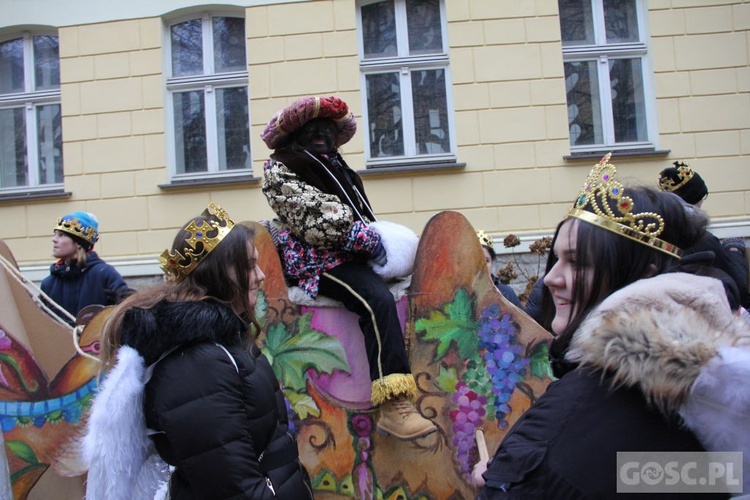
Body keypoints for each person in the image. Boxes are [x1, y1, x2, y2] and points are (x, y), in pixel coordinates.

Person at [476, 154, 749, 498]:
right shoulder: (702, 384)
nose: (551, 279)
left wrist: (505, 480)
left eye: (576, 262)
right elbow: (669, 477)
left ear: (644, 273)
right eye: (555, 259)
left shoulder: (585, 402)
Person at [84, 202, 313, 499]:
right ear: (216, 273)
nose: (259, 275)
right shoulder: (197, 363)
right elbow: (231, 487)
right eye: (247, 266)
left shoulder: (223, 340)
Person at [260, 95, 436, 440]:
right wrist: (367, 240)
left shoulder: (340, 168)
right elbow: (314, 219)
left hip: (350, 254)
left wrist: (382, 244)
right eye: (316, 129)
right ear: (300, 133)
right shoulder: (282, 166)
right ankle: (393, 403)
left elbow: (362, 215)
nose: (325, 135)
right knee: (375, 300)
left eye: (330, 129)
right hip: (313, 261)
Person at [659, 161, 749, 309]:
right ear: (698, 198)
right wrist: (734, 251)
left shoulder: (658, 231)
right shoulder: (701, 239)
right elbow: (737, 285)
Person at [40, 211, 130, 325]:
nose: (54, 239)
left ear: (78, 243)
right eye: (55, 234)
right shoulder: (49, 284)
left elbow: (127, 316)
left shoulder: (104, 275)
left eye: (61, 235)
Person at [476, 230, 522, 308]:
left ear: (492, 262)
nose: (482, 265)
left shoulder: (507, 293)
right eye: (477, 260)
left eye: (486, 260)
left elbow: (519, 319)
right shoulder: (458, 295)